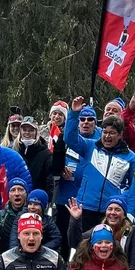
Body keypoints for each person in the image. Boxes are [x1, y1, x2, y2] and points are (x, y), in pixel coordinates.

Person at [63, 102, 135, 228]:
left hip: (109, 211)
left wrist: (126, 207)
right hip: (85, 207)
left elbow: (134, 187)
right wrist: (74, 113)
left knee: (104, 247)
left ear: (120, 135)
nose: (107, 136)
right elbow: (69, 138)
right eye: (105, 132)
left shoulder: (130, 157)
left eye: (112, 133)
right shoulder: (90, 146)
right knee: (81, 246)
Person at [51, 105, 100, 257]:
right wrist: (60, 166)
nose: (86, 122)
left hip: (89, 201)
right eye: (82, 119)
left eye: (90, 119)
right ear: (77, 122)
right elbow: (53, 161)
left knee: (85, 242)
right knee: (63, 239)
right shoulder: (67, 139)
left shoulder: (101, 141)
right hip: (66, 197)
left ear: (96, 122)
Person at [15, 116, 52, 192]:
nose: (27, 133)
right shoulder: (14, 151)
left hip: (37, 199)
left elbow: (50, 181)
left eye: (31, 130)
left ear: (36, 132)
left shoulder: (46, 153)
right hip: (17, 196)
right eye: (24, 130)